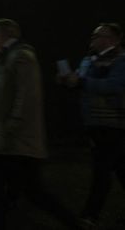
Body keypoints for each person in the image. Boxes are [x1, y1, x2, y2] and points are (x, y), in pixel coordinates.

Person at [0, 19, 75, 230]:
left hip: (15, 143)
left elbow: (26, 98)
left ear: (5, 34)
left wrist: (9, 128)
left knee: (26, 192)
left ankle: (74, 223)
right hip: (4, 142)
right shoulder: (2, 59)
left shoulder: (22, 57)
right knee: (13, 192)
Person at [58, 23, 125, 229]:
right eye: (93, 35)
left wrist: (82, 82)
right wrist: (67, 80)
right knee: (120, 169)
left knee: (101, 171)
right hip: (95, 124)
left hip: (114, 123)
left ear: (114, 39)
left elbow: (114, 86)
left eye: (99, 35)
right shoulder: (89, 60)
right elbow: (80, 80)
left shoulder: (121, 60)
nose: (93, 39)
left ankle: (89, 216)